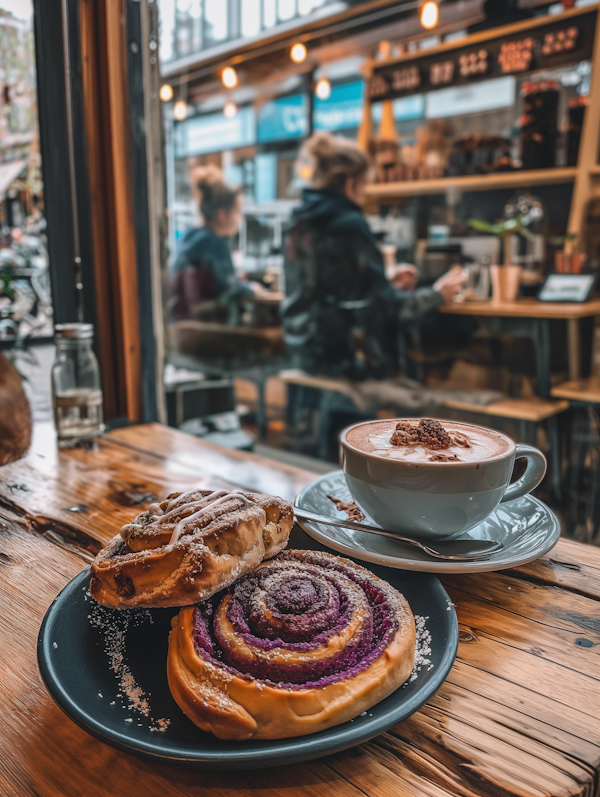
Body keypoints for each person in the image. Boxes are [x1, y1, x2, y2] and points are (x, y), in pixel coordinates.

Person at [281, 132, 466, 379]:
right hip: (345, 359)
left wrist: (386, 282)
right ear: (349, 183)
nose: (365, 194)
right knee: (447, 335)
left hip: (303, 351)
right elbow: (383, 308)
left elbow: (329, 292)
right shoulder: (350, 223)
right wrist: (436, 295)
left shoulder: (298, 222)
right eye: (364, 186)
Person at [169, 167, 263, 324]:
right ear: (221, 215)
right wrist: (252, 289)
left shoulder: (191, 236)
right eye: (237, 211)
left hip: (184, 328)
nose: (240, 218)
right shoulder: (214, 244)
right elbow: (231, 290)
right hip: (210, 333)